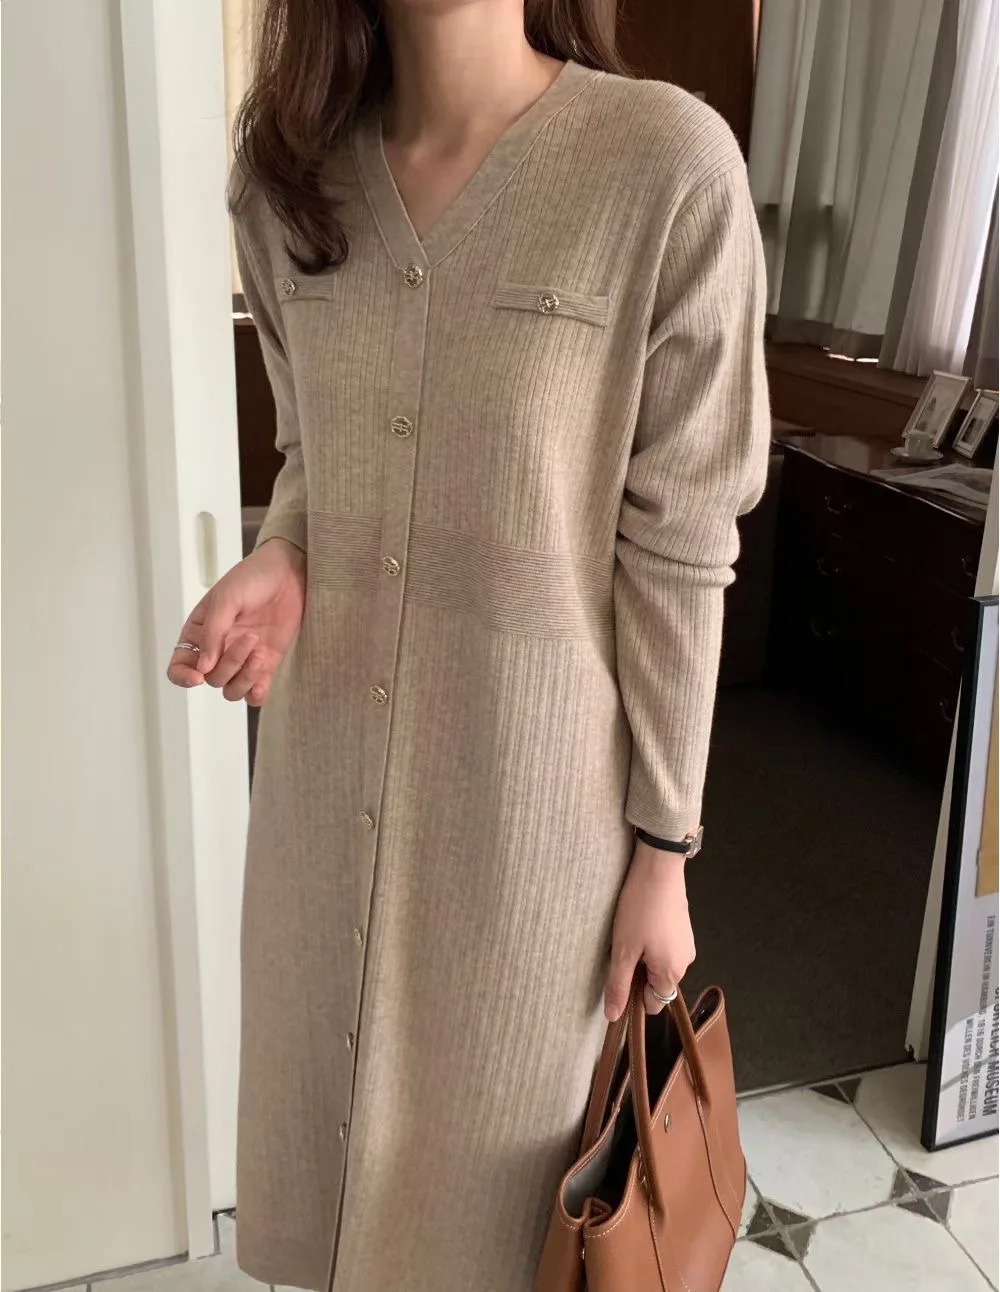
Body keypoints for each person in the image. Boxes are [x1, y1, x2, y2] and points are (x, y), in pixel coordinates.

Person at [166, 2, 770, 1288]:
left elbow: (679, 547)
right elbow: (312, 450)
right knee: (340, 1199)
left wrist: (664, 847)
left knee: (504, 1229)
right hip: (324, 800)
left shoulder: (663, 168)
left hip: (531, 830)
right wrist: (289, 549)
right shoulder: (283, 182)